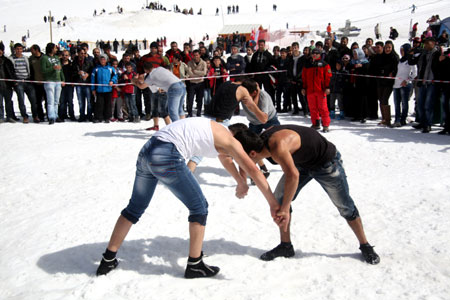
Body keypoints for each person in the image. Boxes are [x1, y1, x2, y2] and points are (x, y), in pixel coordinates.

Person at [95, 117, 283, 278]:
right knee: (199, 207)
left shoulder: (220, 131)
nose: (234, 156)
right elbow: (254, 171)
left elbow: (225, 158)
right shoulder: (230, 141)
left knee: (134, 207)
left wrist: (241, 183)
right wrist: (273, 204)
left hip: (147, 151)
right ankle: (195, 265)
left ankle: (107, 260)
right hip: (167, 155)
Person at [232, 125, 380, 265]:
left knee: (344, 206)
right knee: (279, 199)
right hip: (301, 162)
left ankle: (365, 245)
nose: (241, 162)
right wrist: (242, 182)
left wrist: (285, 208)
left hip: (326, 163)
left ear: (252, 153)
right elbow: (245, 164)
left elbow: (293, 175)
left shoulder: (277, 146)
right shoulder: (256, 144)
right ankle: (286, 246)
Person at [301, 48, 332, 132]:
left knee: (323, 108)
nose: (314, 54)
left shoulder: (324, 64)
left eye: (317, 53)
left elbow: (328, 77)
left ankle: (325, 125)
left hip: (321, 90)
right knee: (312, 108)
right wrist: (303, 88)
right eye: (313, 53)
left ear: (320, 54)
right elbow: (304, 77)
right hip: (310, 90)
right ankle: (315, 124)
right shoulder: (307, 65)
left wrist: (327, 87)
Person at [8, 43, 38, 123]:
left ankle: (35, 115)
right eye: (17, 49)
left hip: (27, 81)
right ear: (14, 50)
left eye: (20, 49)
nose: (19, 51)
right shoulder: (11, 59)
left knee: (33, 99)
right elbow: (11, 71)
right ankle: (25, 116)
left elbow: (29, 69)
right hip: (18, 82)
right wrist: (15, 82)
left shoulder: (25, 58)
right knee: (21, 100)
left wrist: (31, 78)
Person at [392, 44, 416, 127]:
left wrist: (407, 80)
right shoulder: (400, 60)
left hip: (404, 85)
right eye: (400, 50)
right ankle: (397, 119)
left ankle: (403, 119)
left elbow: (414, 72)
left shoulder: (410, 60)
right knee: (396, 103)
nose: (401, 52)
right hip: (396, 84)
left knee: (404, 103)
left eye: (403, 50)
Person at [41, 43, 65, 124]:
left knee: (56, 100)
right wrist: (52, 68)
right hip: (49, 81)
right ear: (51, 49)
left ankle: (56, 115)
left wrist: (63, 79)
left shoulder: (57, 58)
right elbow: (43, 70)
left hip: (58, 81)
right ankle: (51, 116)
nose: (56, 49)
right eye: (55, 48)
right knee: (50, 100)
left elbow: (60, 70)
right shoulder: (44, 58)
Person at [91, 54, 118, 123]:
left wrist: (112, 81)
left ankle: (107, 117)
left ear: (106, 60)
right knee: (99, 104)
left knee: (108, 104)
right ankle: (98, 117)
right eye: (101, 59)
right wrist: (93, 88)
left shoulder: (110, 68)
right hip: (99, 89)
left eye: (104, 59)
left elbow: (115, 76)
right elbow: (93, 79)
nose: (102, 61)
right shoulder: (96, 69)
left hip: (108, 89)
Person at [186, 50, 207, 117]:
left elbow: (204, 73)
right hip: (192, 83)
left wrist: (195, 71)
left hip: (200, 83)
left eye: (197, 55)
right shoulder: (189, 63)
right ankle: (190, 113)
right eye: (194, 55)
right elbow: (190, 73)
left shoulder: (203, 63)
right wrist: (198, 74)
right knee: (190, 99)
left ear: (199, 55)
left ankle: (199, 112)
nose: (195, 57)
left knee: (200, 99)